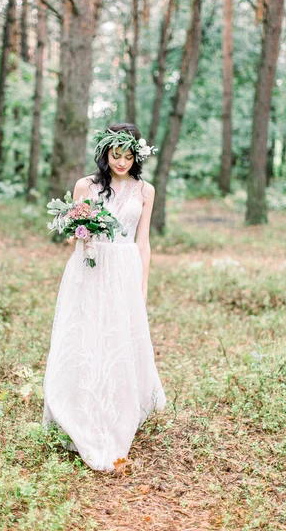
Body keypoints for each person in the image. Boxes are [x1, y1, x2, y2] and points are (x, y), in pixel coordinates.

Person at [42, 123, 167, 471]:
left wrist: (142, 285)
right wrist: (80, 226)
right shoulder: (87, 186)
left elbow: (143, 242)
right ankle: (78, 408)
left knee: (118, 339)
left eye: (128, 156)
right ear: (105, 152)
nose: (122, 162)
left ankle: (117, 409)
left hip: (124, 268)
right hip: (89, 265)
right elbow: (71, 237)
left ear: (136, 156)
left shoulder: (145, 191)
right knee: (85, 333)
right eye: (116, 155)